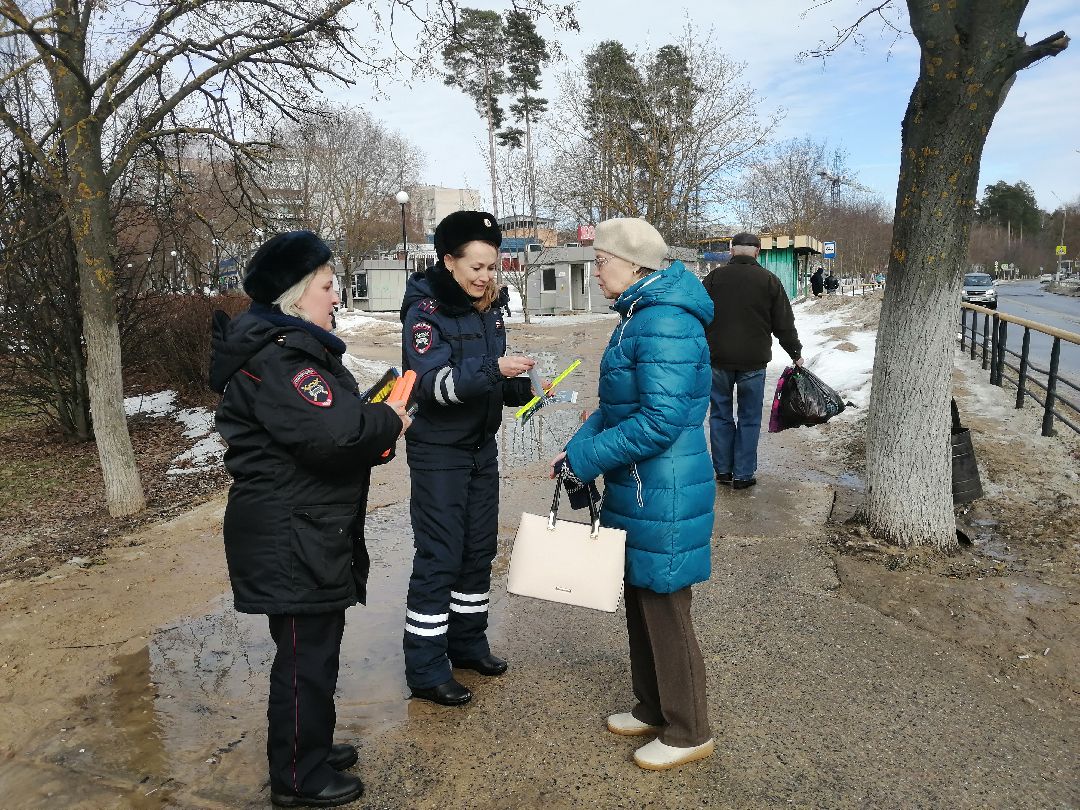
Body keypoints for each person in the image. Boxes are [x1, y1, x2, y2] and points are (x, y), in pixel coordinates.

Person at [210, 231, 410, 809]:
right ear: (297, 295)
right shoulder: (280, 357)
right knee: (305, 657)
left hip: (301, 524)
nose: (335, 296)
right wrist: (388, 420)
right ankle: (299, 776)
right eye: (326, 286)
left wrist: (375, 424)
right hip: (290, 530)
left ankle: (310, 745)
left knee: (312, 649)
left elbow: (336, 427)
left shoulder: (287, 349)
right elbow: (334, 433)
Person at [550, 217, 715, 771]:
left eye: (601, 261)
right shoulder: (641, 317)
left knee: (665, 607)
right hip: (641, 483)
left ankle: (690, 729)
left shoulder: (663, 320)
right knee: (643, 599)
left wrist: (586, 458)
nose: (595, 271)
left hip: (664, 487)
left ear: (636, 264)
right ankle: (653, 706)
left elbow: (661, 419)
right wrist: (577, 448)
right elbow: (617, 408)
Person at [399, 211, 536, 707]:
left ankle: (467, 643)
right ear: (448, 260)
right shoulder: (425, 312)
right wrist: (491, 369)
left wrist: (514, 385)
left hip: (481, 448)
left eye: (492, 267)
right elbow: (434, 385)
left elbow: (483, 378)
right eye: (475, 267)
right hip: (439, 452)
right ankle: (426, 667)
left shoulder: (489, 308)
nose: (484, 277)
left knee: (479, 550)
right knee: (440, 557)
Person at [702, 231, 803, 490]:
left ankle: (723, 471)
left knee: (720, 415)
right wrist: (795, 352)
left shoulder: (713, 279)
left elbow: (698, 314)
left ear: (732, 250)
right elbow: (784, 323)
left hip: (718, 360)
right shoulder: (769, 280)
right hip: (753, 362)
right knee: (749, 418)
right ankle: (744, 475)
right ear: (757, 251)